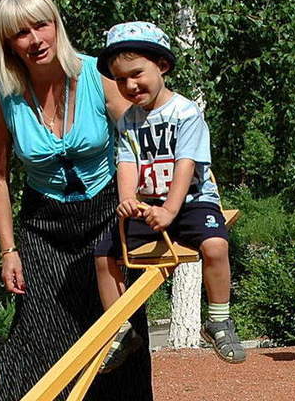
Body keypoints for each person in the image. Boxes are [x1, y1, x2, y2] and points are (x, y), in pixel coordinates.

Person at [0, 0, 155, 401]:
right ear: (7, 42)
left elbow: (147, 135)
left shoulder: (97, 78)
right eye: (20, 32)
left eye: (41, 26)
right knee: (34, 342)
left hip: (109, 217)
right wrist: (8, 248)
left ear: (55, 25)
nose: (34, 40)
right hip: (42, 225)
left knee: (117, 335)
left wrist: (168, 206)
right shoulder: (3, 99)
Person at [91, 21, 245, 368]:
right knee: (104, 253)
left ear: (161, 66)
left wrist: (171, 212)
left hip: (190, 201)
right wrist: (128, 199)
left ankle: (218, 319)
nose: (130, 85)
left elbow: (185, 164)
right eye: (120, 80)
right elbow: (127, 162)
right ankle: (120, 329)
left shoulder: (186, 112)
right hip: (150, 205)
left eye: (136, 73)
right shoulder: (128, 120)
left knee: (216, 245)